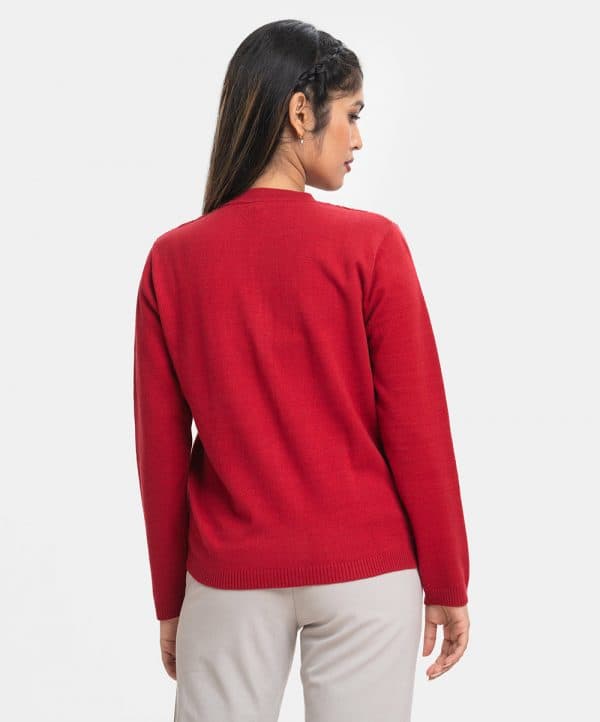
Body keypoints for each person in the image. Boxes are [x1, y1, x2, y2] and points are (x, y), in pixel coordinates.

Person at [133, 18, 470, 722]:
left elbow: (160, 454)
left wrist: (172, 599)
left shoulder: (173, 261)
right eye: (352, 114)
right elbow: (417, 427)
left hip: (228, 576)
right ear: (300, 111)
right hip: (367, 571)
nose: (358, 139)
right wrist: (446, 579)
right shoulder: (372, 246)